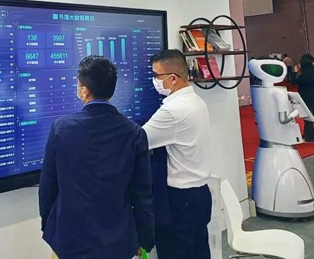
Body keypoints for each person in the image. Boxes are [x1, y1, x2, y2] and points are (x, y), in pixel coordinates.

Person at [39, 56, 155, 259]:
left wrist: (49, 226)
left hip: (69, 238)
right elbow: (142, 193)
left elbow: (48, 186)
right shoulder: (134, 133)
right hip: (117, 240)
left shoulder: (62, 128)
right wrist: (144, 239)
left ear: (84, 90)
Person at [141, 49, 212, 259]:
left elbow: (139, 141)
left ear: (173, 78)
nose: (154, 80)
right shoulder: (196, 101)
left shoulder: (173, 111)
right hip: (200, 194)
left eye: (157, 75)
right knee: (199, 251)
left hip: (180, 201)